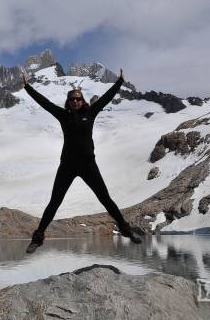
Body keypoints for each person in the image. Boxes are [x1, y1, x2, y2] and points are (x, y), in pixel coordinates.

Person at [23, 68, 142, 254]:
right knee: (54, 202)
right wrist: (27, 87)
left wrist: (119, 82)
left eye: (78, 98)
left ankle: (127, 231)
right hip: (68, 165)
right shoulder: (63, 115)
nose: (76, 101)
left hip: (88, 164)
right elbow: (44, 103)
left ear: (82, 100)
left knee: (105, 199)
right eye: (72, 99)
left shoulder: (91, 112)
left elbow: (106, 98)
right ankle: (37, 239)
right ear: (68, 102)